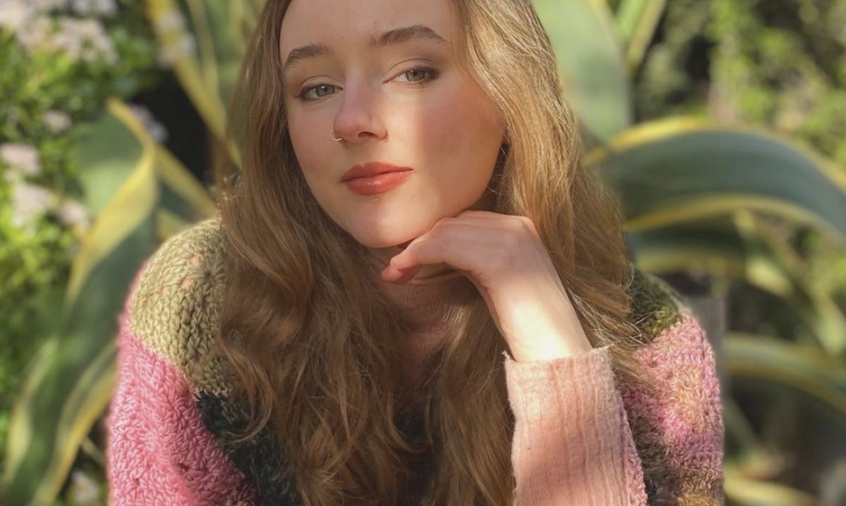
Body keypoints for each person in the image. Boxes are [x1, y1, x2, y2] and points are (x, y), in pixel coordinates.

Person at [105, 0, 725, 504]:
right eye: (316, 88)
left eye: (414, 72)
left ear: (509, 92)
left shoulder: (649, 337)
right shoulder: (205, 296)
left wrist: (555, 349)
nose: (352, 120)